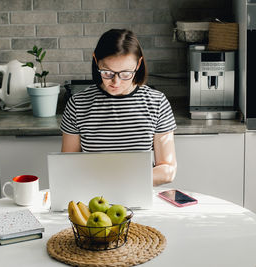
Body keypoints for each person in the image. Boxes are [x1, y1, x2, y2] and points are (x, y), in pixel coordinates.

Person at [60, 29, 177, 186]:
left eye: (126, 73)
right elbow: (67, 164)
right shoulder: (78, 104)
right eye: (107, 72)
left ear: (139, 64)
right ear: (96, 61)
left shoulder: (157, 102)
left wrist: (120, 180)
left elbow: (167, 169)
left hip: (139, 193)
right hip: (93, 196)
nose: (116, 82)